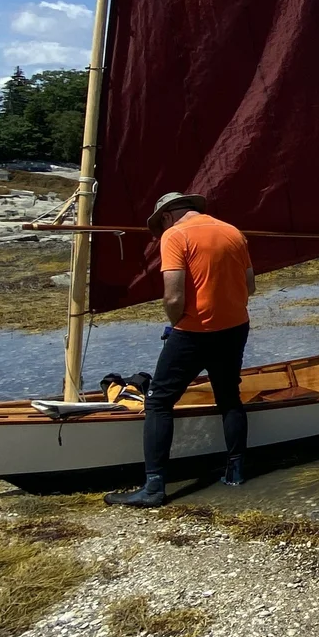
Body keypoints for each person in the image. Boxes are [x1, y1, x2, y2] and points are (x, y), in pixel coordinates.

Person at [105, 192, 255, 508]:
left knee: (159, 402)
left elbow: (173, 296)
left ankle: (154, 487)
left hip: (194, 332)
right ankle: (236, 472)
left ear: (167, 216)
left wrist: (176, 324)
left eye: (160, 224)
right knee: (228, 397)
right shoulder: (232, 232)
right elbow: (250, 286)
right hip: (236, 327)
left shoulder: (175, 235)